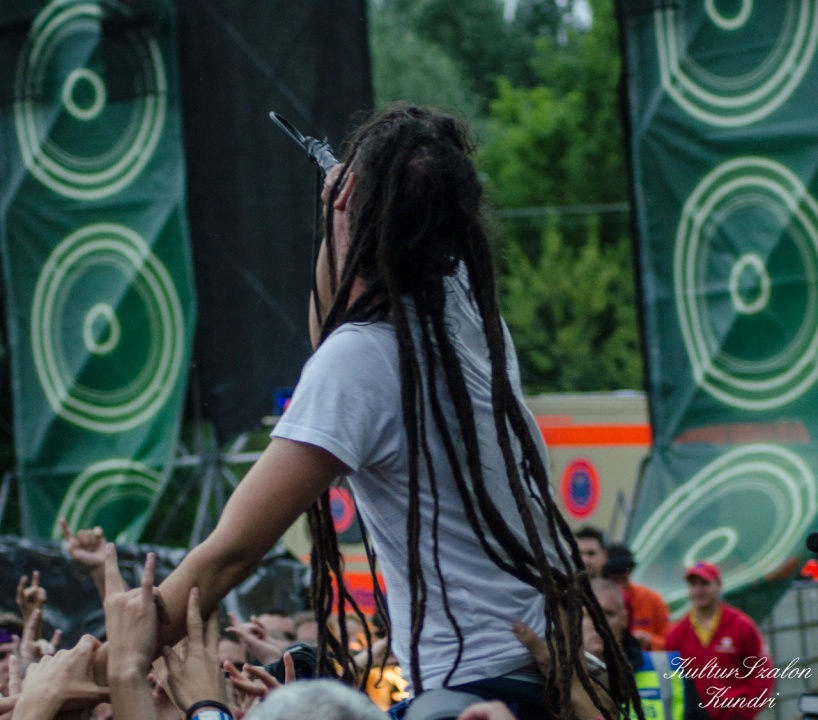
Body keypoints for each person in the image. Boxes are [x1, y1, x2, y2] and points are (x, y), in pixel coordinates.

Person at [94, 104, 637, 719]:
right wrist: (349, 216)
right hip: (539, 671)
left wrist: (108, 667)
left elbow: (229, 554)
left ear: (353, 209)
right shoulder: (466, 309)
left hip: (470, 691)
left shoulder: (366, 358)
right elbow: (336, 332)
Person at [583, 579, 708, 720]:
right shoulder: (565, 680)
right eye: (590, 613)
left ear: (624, 618)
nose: (599, 623)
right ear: (575, 619)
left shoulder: (668, 670)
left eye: (608, 613)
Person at [666, 562, 774, 720]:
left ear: (718, 586)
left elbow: (763, 673)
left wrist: (743, 713)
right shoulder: (678, 633)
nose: (698, 590)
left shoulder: (741, 625)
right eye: (693, 585)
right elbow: (671, 679)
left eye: (705, 584)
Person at [603, 544, 670, 650]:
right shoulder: (597, 601)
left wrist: (649, 641)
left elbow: (671, 643)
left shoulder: (652, 599)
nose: (620, 586)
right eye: (615, 580)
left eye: (624, 579)